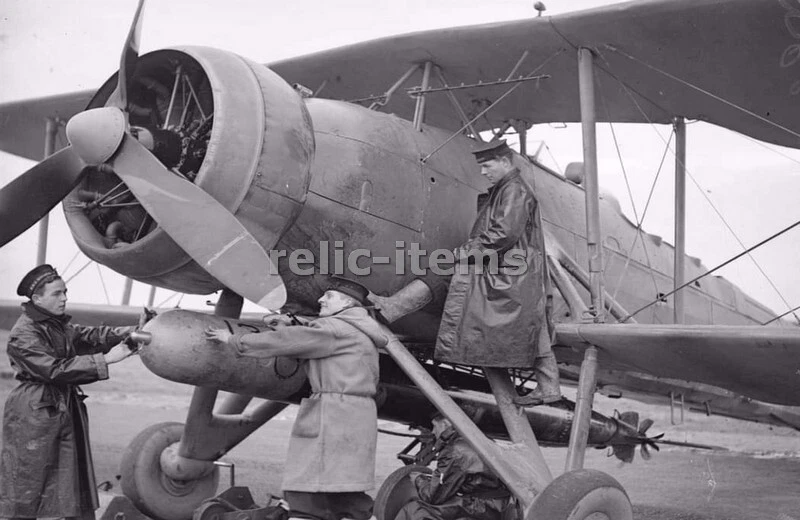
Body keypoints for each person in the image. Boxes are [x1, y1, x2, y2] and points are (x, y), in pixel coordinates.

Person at [205, 276, 385, 520]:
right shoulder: (359, 331)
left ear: (347, 303)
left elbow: (288, 342)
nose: (321, 299)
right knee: (344, 492)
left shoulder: (334, 329)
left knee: (304, 492)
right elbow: (311, 342)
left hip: (333, 414)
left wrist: (234, 340)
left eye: (329, 296)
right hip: (354, 415)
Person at [0, 264, 138, 520]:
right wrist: (108, 360)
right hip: (35, 412)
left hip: (61, 406)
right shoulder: (24, 333)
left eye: (65, 292)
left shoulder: (55, 325)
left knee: (74, 484)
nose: (64, 298)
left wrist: (134, 331)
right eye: (56, 294)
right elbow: (53, 370)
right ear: (36, 298)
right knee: (26, 486)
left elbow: (92, 335)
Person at [436, 140, 560, 406]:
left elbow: (504, 233)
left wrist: (468, 251)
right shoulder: (508, 189)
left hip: (510, 270)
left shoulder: (513, 190)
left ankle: (549, 387)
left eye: (487, 165)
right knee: (531, 326)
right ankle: (549, 387)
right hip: (511, 268)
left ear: (505, 162)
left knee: (526, 324)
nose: (483, 172)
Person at [395, 415, 517, 520]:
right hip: (499, 503)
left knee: (414, 509)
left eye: (434, 426)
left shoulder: (455, 450)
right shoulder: (476, 439)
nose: (433, 432)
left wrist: (418, 479)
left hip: (485, 506)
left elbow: (434, 497)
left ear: (445, 424)